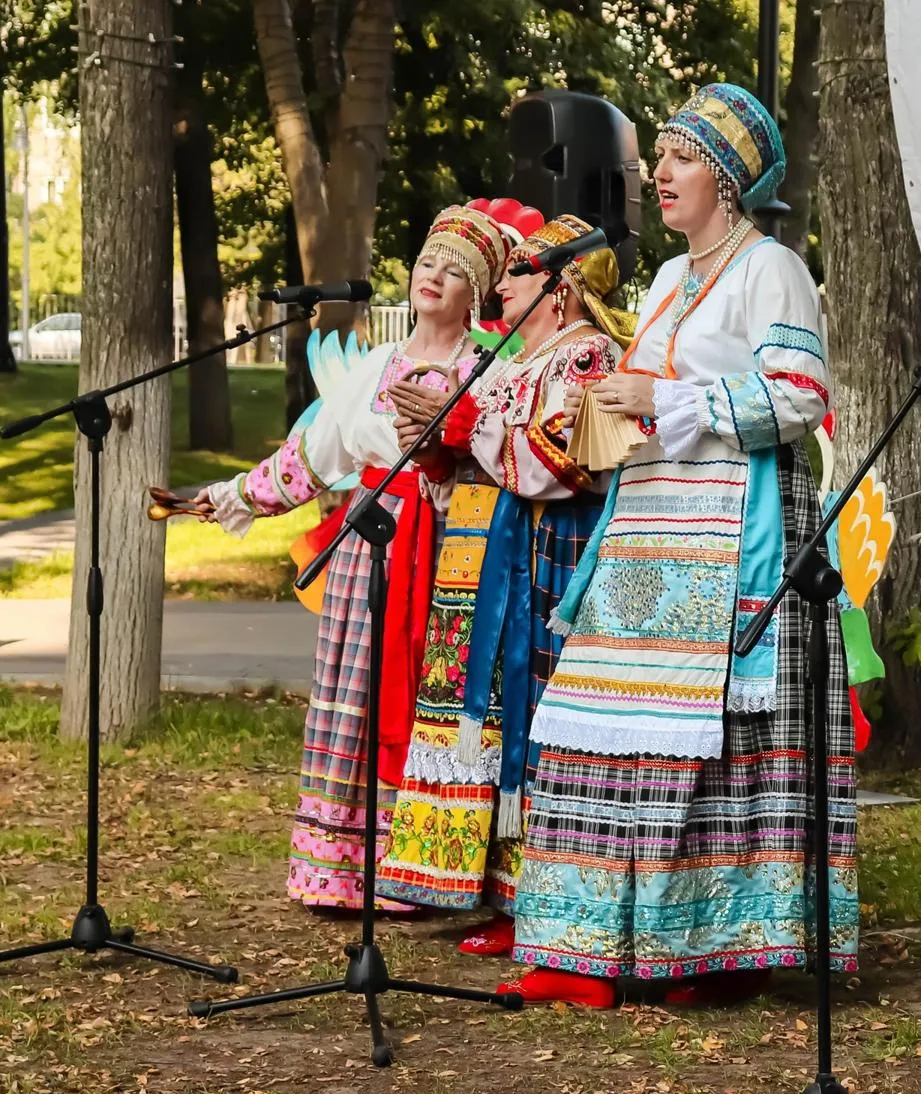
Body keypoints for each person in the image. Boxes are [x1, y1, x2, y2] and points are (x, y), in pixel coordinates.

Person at [506, 83, 853, 1009]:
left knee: (712, 740)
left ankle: (708, 947)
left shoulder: (770, 269)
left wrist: (665, 401)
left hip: (731, 523)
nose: (659, 174)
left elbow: (800, 397)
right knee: (609, 721)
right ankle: (586, 945)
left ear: (731, 180)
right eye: (658, 158)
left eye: (683, 159)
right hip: (649, 520)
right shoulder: (665, 281)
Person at [199, 204, 512, 911]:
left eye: (453, 271)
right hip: (366, 542)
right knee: (356, 694)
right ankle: (342, 868)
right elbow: (312, 458)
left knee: (426, 696)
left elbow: (497, 470)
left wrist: (443, 452)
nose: (433, 277)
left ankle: (424, 867)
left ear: (477, 293)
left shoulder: (486, 373)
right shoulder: (376, 365)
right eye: (427, 264)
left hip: (444, 555)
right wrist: (230, 498)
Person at [374, 214, 634, 962]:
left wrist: (463, 430)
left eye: (518, 270)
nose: (502, 284)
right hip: (481, 559)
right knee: (480, 718)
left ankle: (535, 899)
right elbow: (483, 460)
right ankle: (491, 887)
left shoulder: (585, 356)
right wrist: (439, 460)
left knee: (527, 719)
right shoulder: (515, 363)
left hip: (538, 565)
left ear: (560, 289)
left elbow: (572, 461)